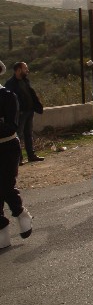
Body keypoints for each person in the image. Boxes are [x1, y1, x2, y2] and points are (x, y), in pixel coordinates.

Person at [0, 60, 32, 250]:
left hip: (7, 147)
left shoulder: (7, 96)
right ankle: (2, 230)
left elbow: (11, 126)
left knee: (5, 186)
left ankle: (21, 213)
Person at [4, 62, 44, 164]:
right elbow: (10, 100)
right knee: (18, 135)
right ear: (18, 70)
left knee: (28, 134)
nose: (27, 71)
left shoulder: (25, 81)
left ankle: (31, 155)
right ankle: (19, 158)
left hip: (29, 111)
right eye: (25, 69)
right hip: (20, 114)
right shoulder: (10, 84)